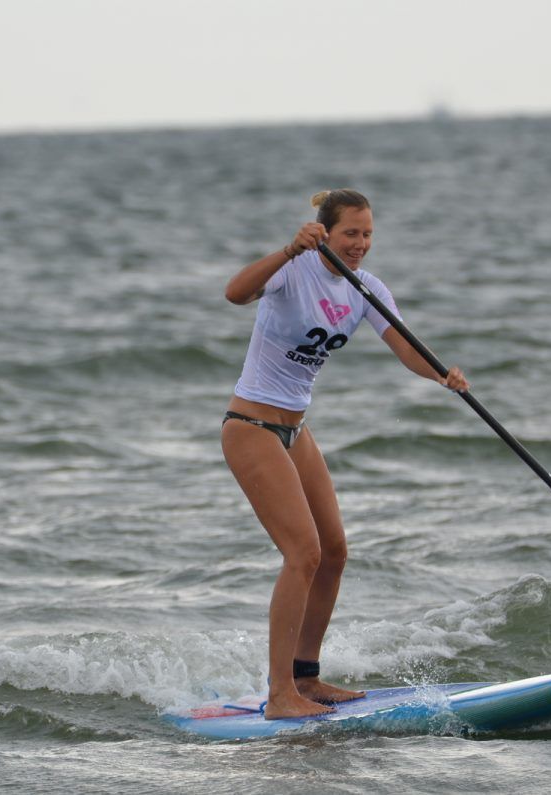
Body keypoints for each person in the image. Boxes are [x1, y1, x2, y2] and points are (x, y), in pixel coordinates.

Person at [221, 189, 470, 719]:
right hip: (251, 427)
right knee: (302, 554)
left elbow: (405, 346)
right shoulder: (296, 269)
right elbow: (235, 293)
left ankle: (306, 679)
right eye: (350, 234)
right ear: (325, 233)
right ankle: (280, 694)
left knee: (333, 552)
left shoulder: (365, 289)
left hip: (297, 430)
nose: (360, 244)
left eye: (368, 235)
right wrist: (289, 250)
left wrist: (442, 374)